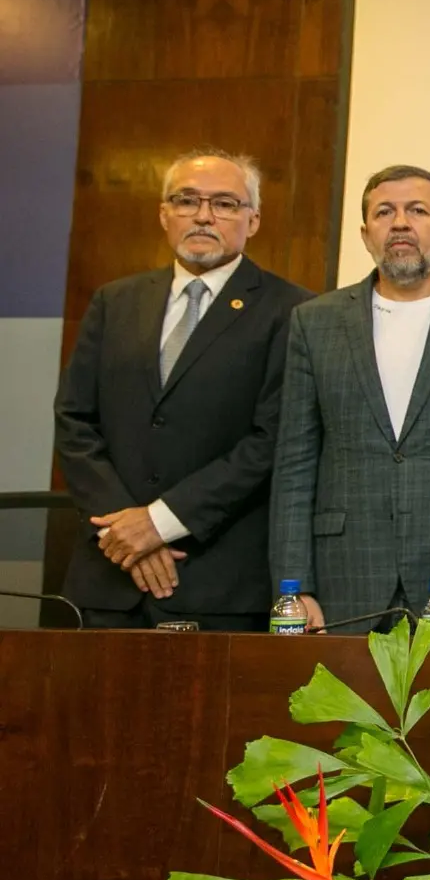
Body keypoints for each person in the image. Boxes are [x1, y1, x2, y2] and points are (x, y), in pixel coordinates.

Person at [269, 165, 430, 632]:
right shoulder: (315, 322)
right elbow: (295, 461)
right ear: (365, 233)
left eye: (417, 210)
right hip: (343, 574)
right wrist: (295, 587)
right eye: (384, 212)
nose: (400, 223)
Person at [54, 149, 311, 629]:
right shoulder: (116, 300)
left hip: (216, 583)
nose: (203, 215)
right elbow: (75, 420)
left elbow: (272, 439)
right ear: (164, 214)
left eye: (225, 204)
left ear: (253, 221)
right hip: (109, 578)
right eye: (187, 200)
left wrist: (160, 522)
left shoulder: (294, 311)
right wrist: (123, 529)